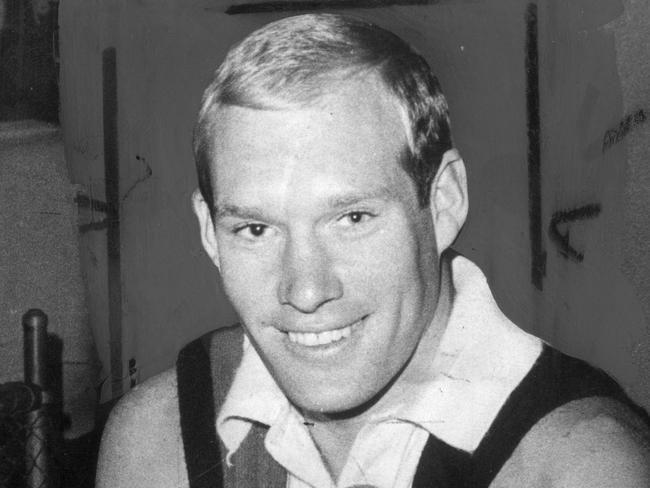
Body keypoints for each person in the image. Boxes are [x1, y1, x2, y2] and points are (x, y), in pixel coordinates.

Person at [96, 13, 650, 488]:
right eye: (256, 230)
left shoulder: (575, 465)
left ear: (446, 202)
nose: (306, 291)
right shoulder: (157, 445)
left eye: (352, 218)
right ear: (209, 232)